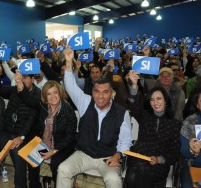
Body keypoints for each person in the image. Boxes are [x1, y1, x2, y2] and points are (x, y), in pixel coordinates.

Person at [57, 47, 133, 188]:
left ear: (112, 93)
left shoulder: (122, 113)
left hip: (107, 157)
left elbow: (126, 140)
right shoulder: (86, 102)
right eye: (97, 92)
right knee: (63, 169)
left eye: (105, 92)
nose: (100, 96)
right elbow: (70, 87)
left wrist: (118, 155)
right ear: (92, 92)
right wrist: (68, 62)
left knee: (114, 180)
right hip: (84, 154)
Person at [124, 70, 182, 188]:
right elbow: (134, 105)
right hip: (139, 162)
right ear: (149, 103)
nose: (156, 102)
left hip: (158, 167)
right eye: (152, 99)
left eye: (159, 98)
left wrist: (159, 159)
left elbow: (174, 153)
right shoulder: (145, 116)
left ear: (166, 101)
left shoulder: (175, 124)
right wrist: (134, 85)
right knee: (139, 171)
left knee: (142, 175)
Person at [0, 57, 42, 188]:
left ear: (32, 79)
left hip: (31, 135)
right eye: (20, 76)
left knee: (22, 156)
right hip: (10, 131)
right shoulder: (15, 90)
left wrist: (21, 136)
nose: (21, 80)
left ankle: (28, 184)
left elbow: (32, 119)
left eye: (25, 77)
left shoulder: (38, 95)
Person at [37, 80, 77, 186]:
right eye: (49, 94)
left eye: (55, 92)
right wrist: (36, 141)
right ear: (45, 96)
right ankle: (34, 184)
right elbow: (39, 127)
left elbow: (70, 136)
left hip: (63, 146)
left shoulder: (68, 111)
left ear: (60, 93)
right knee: (31, 157)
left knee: (55, 164)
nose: (52, 96)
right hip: (46, 142)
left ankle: (58, 183)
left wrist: (54, 151)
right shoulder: (43, 107)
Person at [180, 88, 201, 188]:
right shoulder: (190, 121)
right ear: (198, 105)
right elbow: (184, 151)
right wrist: (193, 151)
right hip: (193, 165)